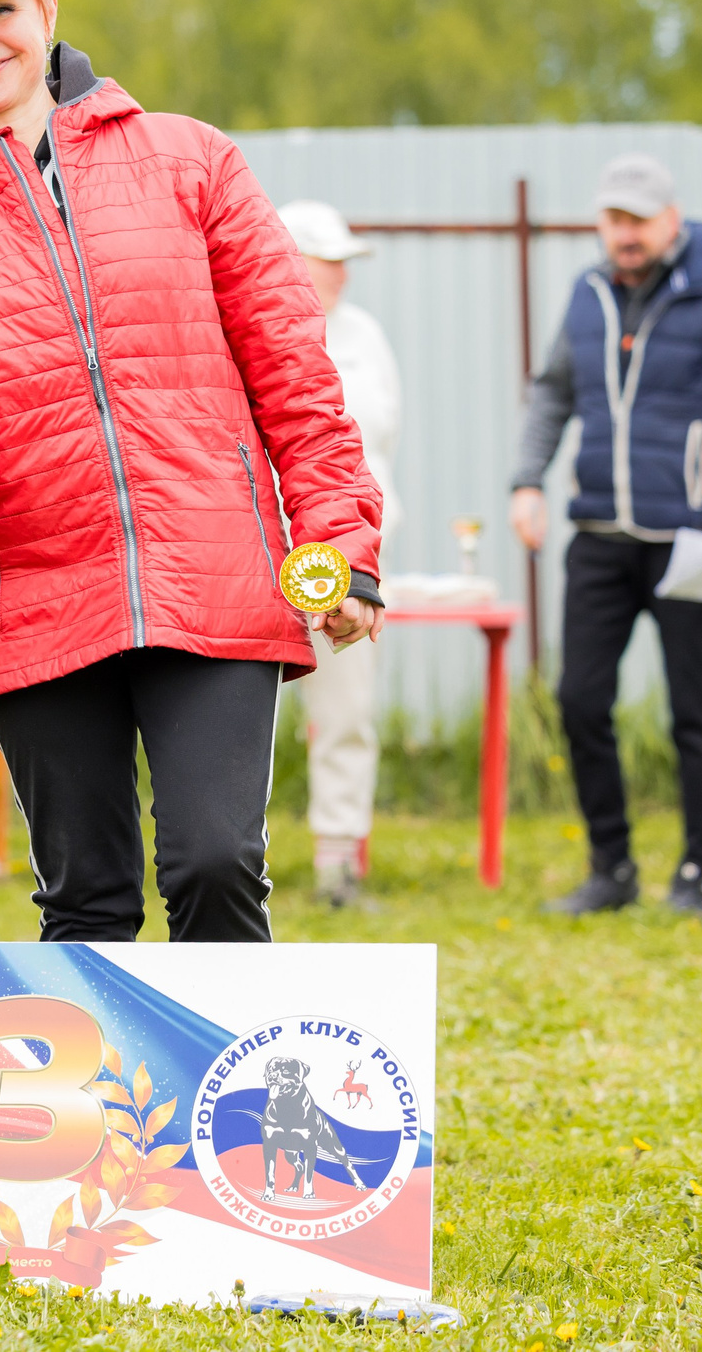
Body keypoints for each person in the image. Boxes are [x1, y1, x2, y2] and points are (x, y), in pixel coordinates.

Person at [0, 0, 384, 947]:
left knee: (215, 861)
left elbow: (295, 372)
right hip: (34, 589)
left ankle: (230, 1110)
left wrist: (339, 544)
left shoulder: (192, 161)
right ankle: (100, 1116)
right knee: (87, 900)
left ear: (45, 8)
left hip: (212, 570)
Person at [510, 153, 702, 918]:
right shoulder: (587, 295)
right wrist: (528, 479)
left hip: (690, 538)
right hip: (598, 533)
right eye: (611, 220)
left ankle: (695, 873)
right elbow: (552, 391)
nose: (622, 235)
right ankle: (611, 866)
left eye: (637, 221)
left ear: (671, 219)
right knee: (580, 699)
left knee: (694, 707)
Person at [277, 200, 402, 908]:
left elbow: (384, 443)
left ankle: (337, 867)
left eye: (343, 262)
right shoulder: (243, 329)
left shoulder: (365, 336)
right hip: (267, 558)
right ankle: (232, 866)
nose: (340, 275)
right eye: (327, 259)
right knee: (239, 721)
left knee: (347, 713)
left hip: (351, 561)